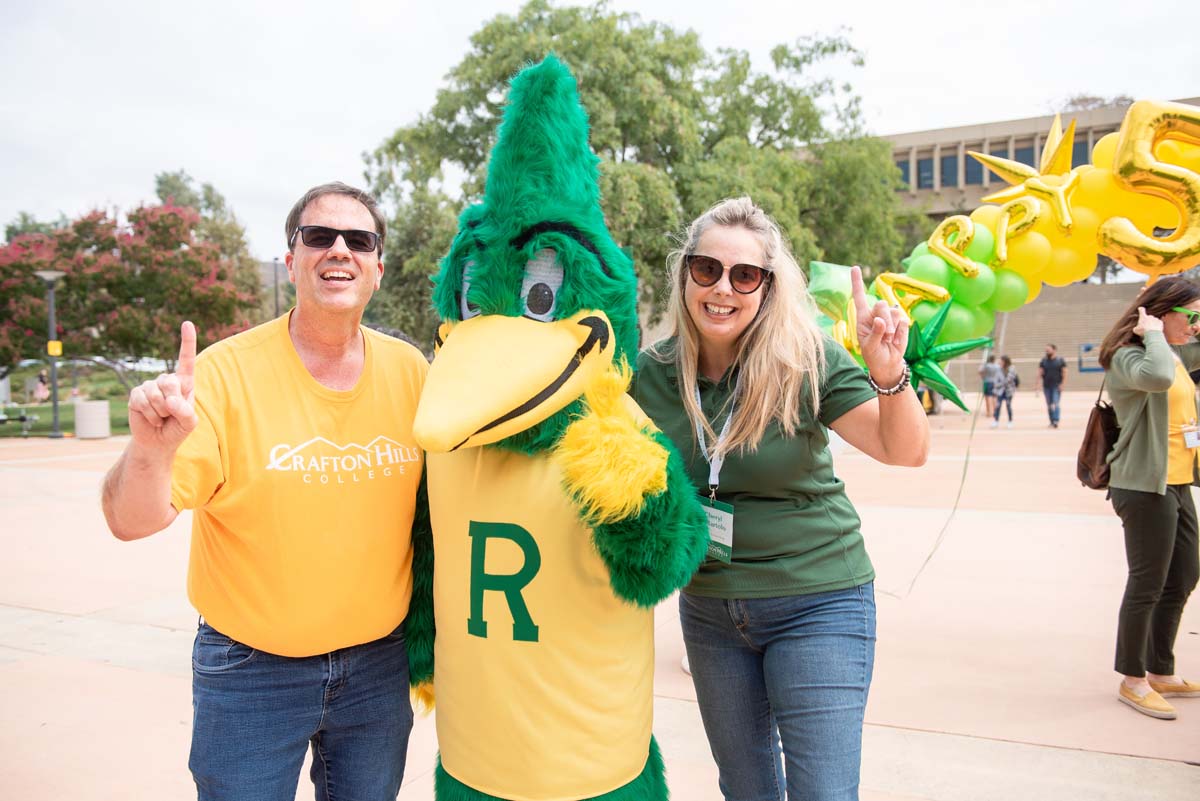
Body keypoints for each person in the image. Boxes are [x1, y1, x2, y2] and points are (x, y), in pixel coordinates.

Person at [100, 182, 429, 800]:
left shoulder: (410, 371)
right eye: (319, 236)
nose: (339, 250)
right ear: (291, 260)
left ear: (378, 269)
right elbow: (130, 521)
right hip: (251, 672)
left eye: (359, 240)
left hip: (378, 668)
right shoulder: (223, 375)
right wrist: (150, 449)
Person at [632, 197, 929, 801]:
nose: (723, 288)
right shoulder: (650, 374)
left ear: (767, 288)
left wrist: (889, 374)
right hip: (710, 609)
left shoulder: (806, 358)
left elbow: (903, 450)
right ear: (685, 273)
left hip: (817, 602)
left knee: (823, 792)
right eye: (707, 269)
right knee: (747, 790)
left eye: (744, 275)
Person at [1098, 277, 1200, 720]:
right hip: (1143, 485)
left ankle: (1161, 670)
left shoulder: (1174, 353)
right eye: (1191, 316)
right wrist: (1153, 334)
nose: (1194, 326)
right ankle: (1132, 678)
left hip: (1176, 482)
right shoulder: (1128, 356)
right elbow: (1157, 379)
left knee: (1185, 574)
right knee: (1147, 583)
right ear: (1161, 313)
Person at [1037, 343, 1068, 428]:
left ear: (1054, 350)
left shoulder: (1060, 361)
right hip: (1046, 386)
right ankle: (1051, 421)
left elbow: (1065, 373)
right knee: (1049, 404)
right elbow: (1040, 373)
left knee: (1056, 403)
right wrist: (1037, 385)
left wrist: (1063, 384)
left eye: (1048, 350)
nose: (1047, 351)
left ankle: (1056, 420)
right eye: (1046, 350)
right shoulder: (1043, 361)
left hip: (1056, 385)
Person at [991, 355, 1018, 429]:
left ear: (1005, 361)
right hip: (1000, 391)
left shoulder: (1012, 369)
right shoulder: (998, 369)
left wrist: (999, 384)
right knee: (998, 406)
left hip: (1009, 391)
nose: (1000, 362)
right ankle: (996, 421)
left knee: (1008, 406)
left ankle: (1010, 421)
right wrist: (997, 385)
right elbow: (996, 380)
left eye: (1001, 361)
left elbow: (1009, 379)